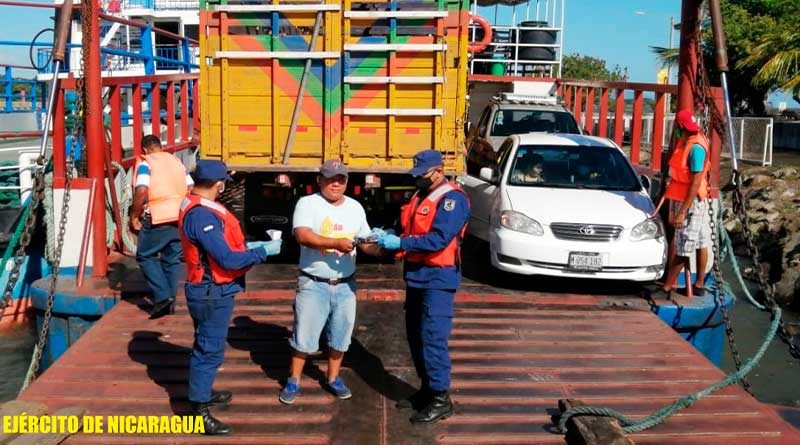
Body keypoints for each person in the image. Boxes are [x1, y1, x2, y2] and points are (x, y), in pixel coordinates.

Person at [179, 160, 282, 435]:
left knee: (205, 344)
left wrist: (251, 246)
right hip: (212, 292)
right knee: (208, 350)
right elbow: (226, 258)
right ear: (219, 184)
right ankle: (199, 411)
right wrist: (262, 252)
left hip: (208, 289)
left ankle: (203, 391)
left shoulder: (196, 207)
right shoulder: (202, 216)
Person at [377, 149, 470, 424]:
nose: (417, 180)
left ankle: (441, 398)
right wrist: (388, 234)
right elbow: (404, 226)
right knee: (415, 336)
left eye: (422, 175)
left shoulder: (453, 200)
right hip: (416, 276)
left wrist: (401, 244)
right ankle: (427, 389)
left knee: (433, 338)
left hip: (438, 279)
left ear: (438, 171)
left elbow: (439, 239)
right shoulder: (420, 195)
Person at [279, 160, 383, 405]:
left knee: (341, 336)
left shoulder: (355, 207)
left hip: (346, 285)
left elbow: (365, 241)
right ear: (319, 180)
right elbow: (302, 235)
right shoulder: (307, 203)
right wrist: (335, 243)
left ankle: (333, 377)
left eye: (341, 179)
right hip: (314, 283)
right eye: (330, 178)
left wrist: (383, 248)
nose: (336, 183)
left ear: (347, 181)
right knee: (304, 336)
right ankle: (293, 379)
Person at [130, 135, 194, 319]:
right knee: (172, 259)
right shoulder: (176, 162)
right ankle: (170, 302)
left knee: (145, 255)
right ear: (160, 146)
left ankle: (162, 296)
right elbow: (190, 186)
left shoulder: (146, 163)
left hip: (158, 216)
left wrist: (134, 215)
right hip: (179, 215)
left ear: (144, 150)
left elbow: (141, 190)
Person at [661, 109, 712, 297]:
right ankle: (698, 285)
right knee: (700, 240)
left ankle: (667, 286)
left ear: (680, 126)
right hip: (689, 198)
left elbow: (696, 181)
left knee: (684, 245)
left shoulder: (696, 148)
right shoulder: (691, 140)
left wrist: (682, 211)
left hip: (690, 203)